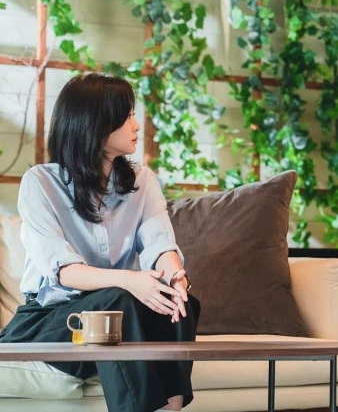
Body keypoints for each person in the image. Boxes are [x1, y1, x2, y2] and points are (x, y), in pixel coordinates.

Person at [0, 73, 200, 412]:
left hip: (117, 318)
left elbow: (160, 244)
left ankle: (173, 410)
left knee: (180, 303)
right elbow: (64, 271)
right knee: (117, 300)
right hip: (52, 323)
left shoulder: (143, 181)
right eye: (128, 116)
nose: (137, 125)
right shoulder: (40, 183)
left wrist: (175, 279)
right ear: (96, 124)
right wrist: (130, 280)